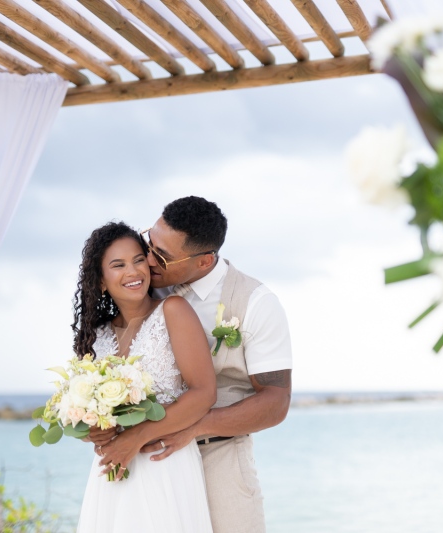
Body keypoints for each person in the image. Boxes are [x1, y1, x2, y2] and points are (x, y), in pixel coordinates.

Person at [94, 196, 293, 533]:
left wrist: (194, 427)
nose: (149, 261)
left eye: (163, 257)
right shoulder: (140, 286)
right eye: (149, 243)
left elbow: (276, 402)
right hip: (148, 468)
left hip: (220, 459)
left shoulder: (255, 303)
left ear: (204, 262)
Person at [73, 221, 217, 533]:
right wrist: (91, 432)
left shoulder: (173, 311)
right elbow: (86, 412)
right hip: (112, 472)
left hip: (164, 466)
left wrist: (136, 437)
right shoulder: (95, 337)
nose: (134, 271)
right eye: (118, 265)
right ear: (100, 280)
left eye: (139, 259)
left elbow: (204, 393)